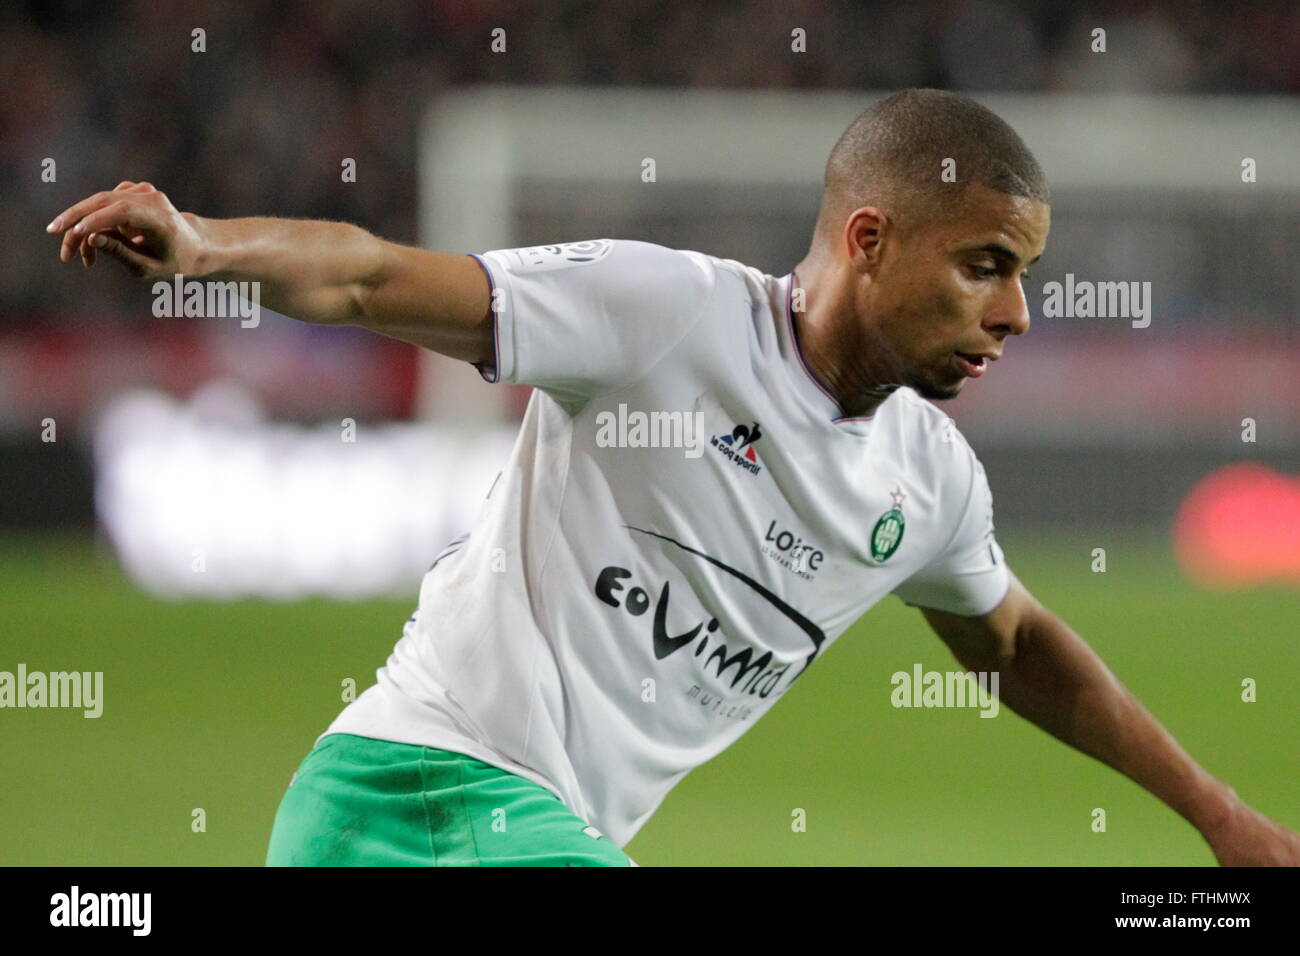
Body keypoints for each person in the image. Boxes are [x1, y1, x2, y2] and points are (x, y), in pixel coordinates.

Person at [48, 89, 1300, 867]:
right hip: (420, 795)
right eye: (985, 263)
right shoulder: (666, 315)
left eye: (1024, 271)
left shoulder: (928, 483)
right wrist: (208, 245)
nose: (1019, 311)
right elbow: (379, 276)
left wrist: (1220, 816)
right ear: (869, 240)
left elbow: (1018, 642)